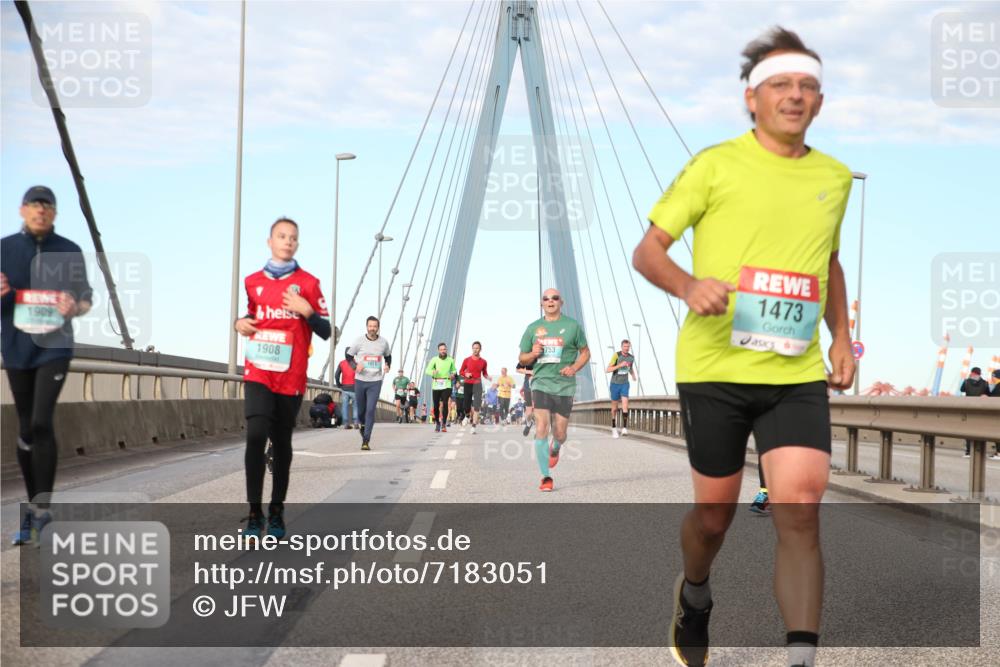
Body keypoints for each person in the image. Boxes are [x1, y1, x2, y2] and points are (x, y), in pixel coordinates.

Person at [632, 27, 855, 667]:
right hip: (715, 368)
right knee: (713, 518)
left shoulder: (835, 178)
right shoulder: (715, 165)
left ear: (820, 101)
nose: (795, 95)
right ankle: (694, 594)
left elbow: (829, 263)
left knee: (801, 507)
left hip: (795, 372)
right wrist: (688, 285)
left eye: (807, 86)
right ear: (751, 99)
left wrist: (842, 336)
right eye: (780, 84)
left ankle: (801, 658)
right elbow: (648, 251)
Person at [3, 186, 93, 546]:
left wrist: (75, 307)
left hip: (54, 347)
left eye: (47, 207)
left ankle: (44, 511)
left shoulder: (69, 250)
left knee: (41, 422)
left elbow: (85, 299)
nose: (41, 211)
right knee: (26, 428)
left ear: (54, 213)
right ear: (22, 210)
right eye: (34, 206)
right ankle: (32, 510)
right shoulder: (4, 248)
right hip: (16, 348)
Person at [235, 217, 331, 539]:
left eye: (292, 237)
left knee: (281, 444)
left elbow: (325, 330)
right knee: (255, 436)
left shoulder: (309, 284)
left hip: (291, 376)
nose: (287, 241)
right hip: (259, 371)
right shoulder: (252, 282)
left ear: (297, 244)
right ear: (270, 242)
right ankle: (254, 515)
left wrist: (307, 311)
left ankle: (276, 512)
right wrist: (240, 323)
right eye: (281, 236)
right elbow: (252, 315)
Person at [518, 288, 590, 492]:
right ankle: (545, 477)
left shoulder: (573, 326)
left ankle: (556, 447)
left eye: (555, 298)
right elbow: (522, 358)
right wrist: (532, 353)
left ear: (561, 302)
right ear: (541, 303)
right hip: (541, 383)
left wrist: (574, 367)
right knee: (542, 427)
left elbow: (585, 353)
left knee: (560, 433)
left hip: (565, 385)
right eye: (546, 299)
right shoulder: (533, 328)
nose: (550, 301)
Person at [346, 316, 392, 451]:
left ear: (378, 328)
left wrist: (387, 365)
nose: (372, 328)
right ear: (367, 327)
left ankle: (366, 440)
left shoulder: (383, 342)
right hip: (360, 380)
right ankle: (363, 425)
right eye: (370, 326)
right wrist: (355, 366)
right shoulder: (359, 341)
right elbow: (348, 355)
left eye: (375, 326)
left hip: (375, 381)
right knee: (361, 412)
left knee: (370, 410)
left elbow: (388, 356)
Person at [607, 339, 638, 438]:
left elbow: (630, 368)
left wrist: (633, 375)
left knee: (625, 405)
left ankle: (624, 428)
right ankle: (613, 428)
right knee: (614, 408)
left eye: (628, 347)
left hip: (625, 384)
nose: (626, 348)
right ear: (621, 347)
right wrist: (619, 365)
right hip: (615, 384)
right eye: (625, 346)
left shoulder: (631, 358)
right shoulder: (616, 355)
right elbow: (608, 369)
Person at [459, 341, 491, 434]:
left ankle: (473, 426)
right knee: (466, 405)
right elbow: (461, 371)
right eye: (474, 348)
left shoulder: (483, 362)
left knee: (477, 405)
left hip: (477, 384)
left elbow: (484, 373)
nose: (475, 350)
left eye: (477, 348)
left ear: (480, 349)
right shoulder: (466, 360)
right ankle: (467, 416)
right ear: (472, 349)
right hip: (468, 383)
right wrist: (466, 374)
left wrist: (487, 377)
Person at [425, 342, 457, 432]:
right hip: (436, 384)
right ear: (438, 350)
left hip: (447, 383)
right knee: (436, 405)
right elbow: (427, 370)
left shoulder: (450, 360)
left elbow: (454, 370)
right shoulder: (434, 360)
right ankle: (437, 423)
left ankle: (443, 424)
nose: (443, 351)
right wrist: (433, 372)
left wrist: (453, 374)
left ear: (446, 350)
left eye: (444, 349)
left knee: (445, 403)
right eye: (441, 349)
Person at [959, 366, 991, 457]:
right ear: (980, 374)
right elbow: (988, 394)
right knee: (979, 429)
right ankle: (979, 450)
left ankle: (968, 451)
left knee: (968, 430)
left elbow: (961, 389)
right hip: (980, 410)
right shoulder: (985, 383)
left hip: (969, 409)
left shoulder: (966, 381)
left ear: (972, 373)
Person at [335, 347, 357, 429]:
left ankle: (346, 423)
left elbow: (336, 375)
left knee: (345, 406)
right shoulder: (357, 363)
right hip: (355, 388)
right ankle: (356, 422)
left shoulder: (341, 363)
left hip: (344, 388)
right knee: (356, 406)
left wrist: (339, 384)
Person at [516, 362, 535, 436]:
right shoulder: (527, 358)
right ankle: (529, 423)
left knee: (540, 410)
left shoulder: (545, 356)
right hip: (528, 386)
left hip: (541, 385)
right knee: (528, 412)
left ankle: (541, 430)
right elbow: (517, 369)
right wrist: (530, 372)